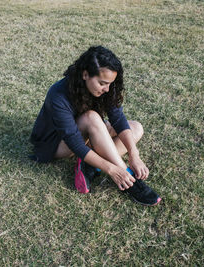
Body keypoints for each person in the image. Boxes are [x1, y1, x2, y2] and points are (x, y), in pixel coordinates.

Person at [30, 46, 161, 206]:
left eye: (110, 84)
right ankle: (129, 180)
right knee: (91, 118)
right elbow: (75, 143)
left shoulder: (106, 89)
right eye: (102, 83)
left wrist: (134, 154)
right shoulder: (58, 95)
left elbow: (118, 120)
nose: (107, 89)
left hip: (85, 133)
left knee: (136, 128)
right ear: (85, 74)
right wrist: (112, 170)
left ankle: (92, 165)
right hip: (56, 143)